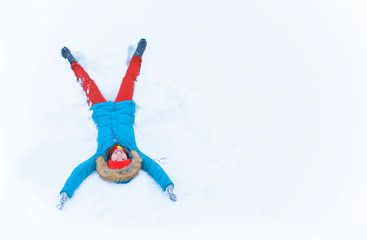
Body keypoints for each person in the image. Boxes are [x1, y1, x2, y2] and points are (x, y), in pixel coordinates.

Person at [57, 39, 177, 210]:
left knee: (88, 83)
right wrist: (167, 186)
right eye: (124, 159)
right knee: (129, 79)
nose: (120, 155)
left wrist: (65, 193)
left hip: (101, 110)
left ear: (110, 160)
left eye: (117, 159)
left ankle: (72, 61)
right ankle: (137, 56)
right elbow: (154, 169)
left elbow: (79, 172)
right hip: (123, 107)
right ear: (129, 159)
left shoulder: (99, 156)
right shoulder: (135, 152)